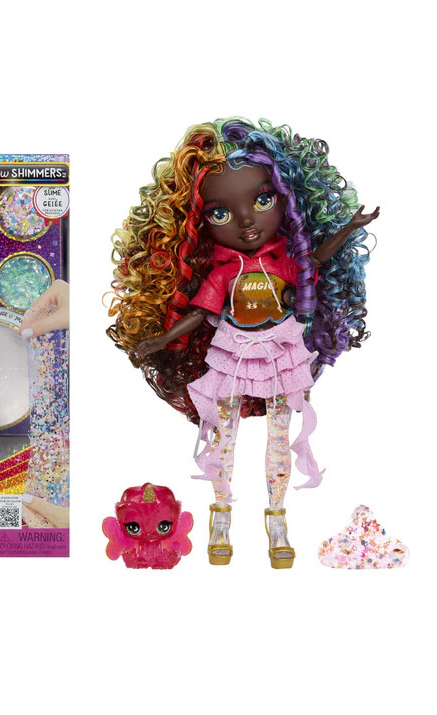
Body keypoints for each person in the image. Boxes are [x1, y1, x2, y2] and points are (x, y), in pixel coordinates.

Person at [108, 118, 378, 567]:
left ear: (290, 200)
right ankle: (220, 515)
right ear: (198, 222)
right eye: (220, 213)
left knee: (278, 439)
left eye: (263, 199)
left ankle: (277, 519)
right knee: (223, 437)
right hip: (231, 354)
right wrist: (161, 340)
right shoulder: (223, 272)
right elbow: (199, 314)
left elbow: (317, 258)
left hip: (280, 352)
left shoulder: (284, 261)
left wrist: (349, 226)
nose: (248, 221)